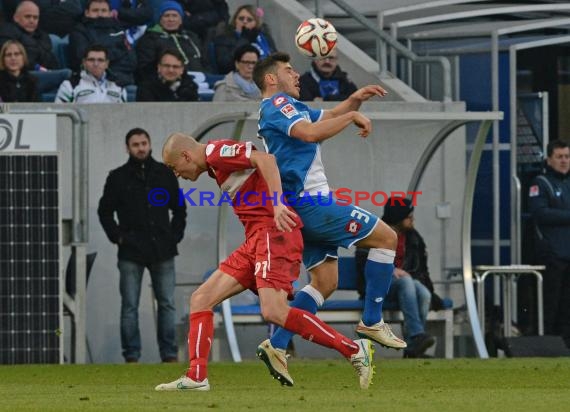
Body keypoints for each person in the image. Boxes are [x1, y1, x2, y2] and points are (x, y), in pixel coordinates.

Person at [154, 133, 374, 391]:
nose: (176, 174)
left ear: (186, 155)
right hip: (257, 240)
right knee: (201, 299)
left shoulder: (215, 152)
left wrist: (278, 204)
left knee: (273, 311)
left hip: (273, 233)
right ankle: (196, 377)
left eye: (173, 167)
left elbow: (265, 159)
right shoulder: (214, 164)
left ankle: (353, 350)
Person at [253, 52, 405, 384]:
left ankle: (277, 345)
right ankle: (372, 320)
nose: (296, 75)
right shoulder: (278, 104)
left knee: (325, 282)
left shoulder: (286, 107)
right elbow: (310, 133)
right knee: (387, 238)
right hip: (312, 203)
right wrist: (351, 119)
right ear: (270, 79)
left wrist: (354, 101)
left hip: (299, 208)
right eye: (289, 71)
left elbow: (331, 114)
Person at [98, 128, 187, 363]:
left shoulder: (164, 175)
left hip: (163, 249)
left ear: (150, 144)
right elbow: (105, 212)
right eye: (135, 144)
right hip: (131, 251)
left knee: (167, 304)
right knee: (129, 306)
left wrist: (174, 236)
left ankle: (169, 354)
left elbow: (179, 209)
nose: (140, 148)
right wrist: (118, 238)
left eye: (144, 143)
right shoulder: (116, 177)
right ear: (127, 148)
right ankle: (132, 355)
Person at [355, 197, 441, 358]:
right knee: (406, 282)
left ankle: (413, 348)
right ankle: (416, 335)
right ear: (398, 217)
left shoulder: (414, 237)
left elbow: (422, 269)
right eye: (409, 216)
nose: (413, 219)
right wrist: (389, 270)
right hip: (378, 286)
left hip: (404, 286)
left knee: (424, 294)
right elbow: (362, 260)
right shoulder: (376, 231)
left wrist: (431, 290)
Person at [528, 139, 570, 348]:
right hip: (553, 255)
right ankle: (547, 344)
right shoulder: (541, 183)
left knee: (567, 306)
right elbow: (540, 213)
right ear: (549, 159)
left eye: (567, 157)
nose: (564, 161)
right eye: (559, 157)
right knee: (550, 304)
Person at [69, 0, 138, 86]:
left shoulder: (118, 30)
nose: (100, 14)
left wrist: (104, 52)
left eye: (104, 11)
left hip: (123, 78)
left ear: (109, 13)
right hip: (91, 80)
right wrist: (119, 50)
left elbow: (131, 61)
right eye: (95, 10)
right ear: (87, 13)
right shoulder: (79, 31)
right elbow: (83, 56)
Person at [135, 1, 207, 82]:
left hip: (201, 81)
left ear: (181, 20)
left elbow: (206, 63)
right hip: (165, 82)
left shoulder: (192, 37)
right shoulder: (149, 39)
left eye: (175, 16)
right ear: (160, 19)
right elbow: (145, 68)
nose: (171, 19)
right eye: (166, 16)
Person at [209, 4, 276, 74]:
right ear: (235, 21)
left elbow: (277, 58)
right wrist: (244, 39)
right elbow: (225, 65)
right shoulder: (224, 38)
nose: (244, 22)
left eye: (249, 20)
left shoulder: (264, 37)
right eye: (241, 19)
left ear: (256, 23)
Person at [55, 45, 127, 103]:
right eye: (91, 60)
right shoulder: (70, 85)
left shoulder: (118, 85)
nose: (96, 64)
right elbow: (61, 115)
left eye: (100, 60)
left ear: (107, 64)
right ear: (84, 62)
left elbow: (125, 114)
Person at [0, 1, 60, 70]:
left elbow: (51, 61)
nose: (32, 20)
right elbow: (9, 60)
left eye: (35, 18)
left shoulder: (43, 37)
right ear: (16, 18)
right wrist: (37, 68)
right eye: (27, 16)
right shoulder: (7, 32)